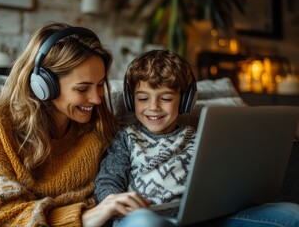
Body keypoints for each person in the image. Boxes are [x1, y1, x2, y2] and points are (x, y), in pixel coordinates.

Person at [0, 22, 150, 227]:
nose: (97, 99)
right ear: (43, 85)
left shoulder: (100, 126)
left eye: (100, 84)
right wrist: (83, 217)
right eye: (82, 88)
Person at [94, 49, 299, 226]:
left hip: (204, 219)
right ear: (131, 99)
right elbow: (107, 180)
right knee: (143, 223)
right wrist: (116, 200)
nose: (153, 107)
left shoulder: (201, 135)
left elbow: (226, 180)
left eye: (165, 98)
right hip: (151, 219)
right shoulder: (127, 138)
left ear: (184, 101)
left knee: (291, 214)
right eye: (142, 98)